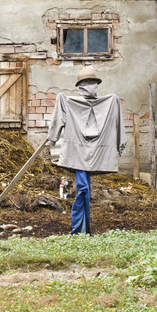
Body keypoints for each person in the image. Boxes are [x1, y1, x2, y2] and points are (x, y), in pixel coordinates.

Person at [46, 65, 126, 235]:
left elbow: (55, 126)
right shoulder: (69, 101)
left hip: (79, 153)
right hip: (91, 153)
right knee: (83, 189)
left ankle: (80, 230)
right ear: (84, 85)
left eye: (92, 83)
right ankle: (82, 229)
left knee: (83, 189)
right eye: (89, 83)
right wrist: (120, 145)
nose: (90, 86)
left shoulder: (110, 101)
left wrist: (52, 139)